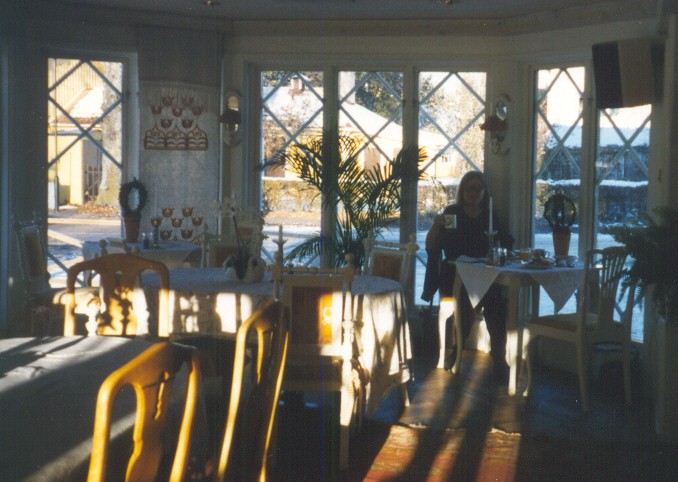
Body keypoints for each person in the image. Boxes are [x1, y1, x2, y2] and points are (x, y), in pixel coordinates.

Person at [422, 171, 514, 378]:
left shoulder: (489, 216)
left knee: (497, 302)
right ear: (462, 191)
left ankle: (499, 356)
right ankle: (457, 350)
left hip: (483, 275)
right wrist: (436, 225)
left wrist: (500, 248)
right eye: (469, 188)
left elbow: (504, 241)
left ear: (484, 192)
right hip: (455, 274)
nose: (473, 192)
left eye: (478, 188)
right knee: (466, 298)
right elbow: (431, 246)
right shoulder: (452, 213)